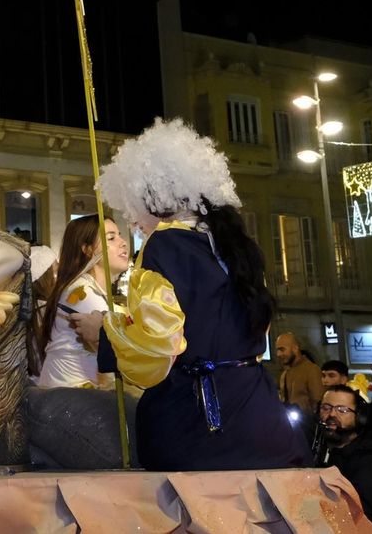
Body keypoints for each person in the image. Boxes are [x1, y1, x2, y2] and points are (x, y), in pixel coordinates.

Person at [79, 118, 307, 471]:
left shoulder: (166, 245)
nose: (133, 222)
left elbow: (157, 345)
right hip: (260, 416)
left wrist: (104, 332)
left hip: (196, 422)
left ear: (156, 198)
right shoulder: (236, 246)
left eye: (132, 206)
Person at [33, 214, 132, 389]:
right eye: (111, 238)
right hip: (75, 398)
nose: (123, 242)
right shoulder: (83, 294)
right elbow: (122, 354)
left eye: (119, 234)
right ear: (87, 250)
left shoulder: (87, 289)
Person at [316, 385, 372, 531]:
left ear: (360, 418)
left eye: (342, 410)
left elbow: (366, 521)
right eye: (326, 408)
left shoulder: (370, 463)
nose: (332, 414)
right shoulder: (322, 452)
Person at [276, 332, 325, 419]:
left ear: (295, 348)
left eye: (282, 349)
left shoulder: (311, 370)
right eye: (277, 350)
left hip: (307, 425)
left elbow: (318, 403)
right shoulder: (285, 374)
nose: (278, 354)